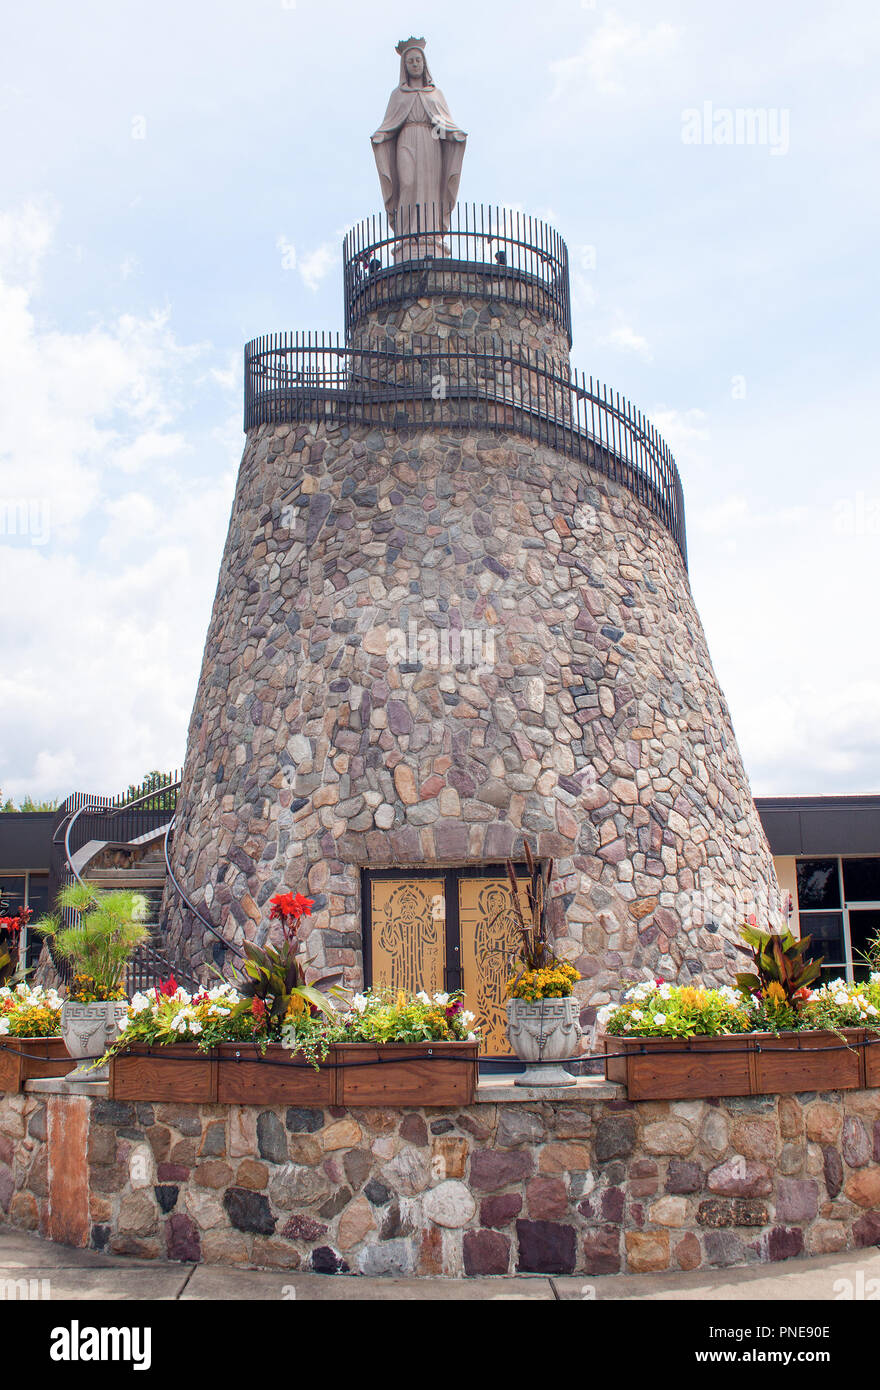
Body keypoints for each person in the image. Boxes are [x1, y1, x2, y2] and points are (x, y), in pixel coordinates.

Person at [371, 38, 467, 238]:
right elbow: (389, 124)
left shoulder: (435, 94)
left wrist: (452, 134)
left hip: (431, 142)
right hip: (405, 140)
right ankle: (406, 234)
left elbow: (441, 123)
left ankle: (430, 234)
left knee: (430, 186)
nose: (415, 64)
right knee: (407, 182)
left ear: (424, 65)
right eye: (410, 61)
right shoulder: (397, 95)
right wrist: (381, 135)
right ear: (404, 67)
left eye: (418, 60)